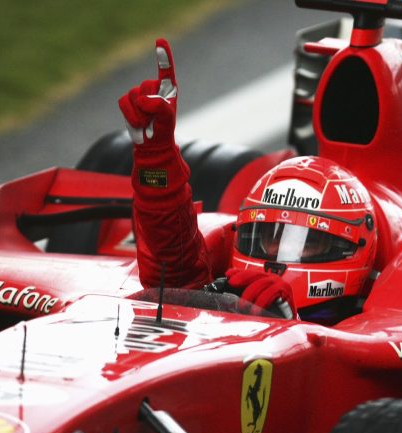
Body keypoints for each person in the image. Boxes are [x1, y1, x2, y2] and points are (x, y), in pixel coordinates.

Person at [119, 39, 377, 324]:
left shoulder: (379, 325)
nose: (277, 255)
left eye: (308, 242)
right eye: (270, 237)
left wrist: (290, 323)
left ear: (350, 249)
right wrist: (156, 158)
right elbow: (176, 285)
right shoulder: (230, 282)